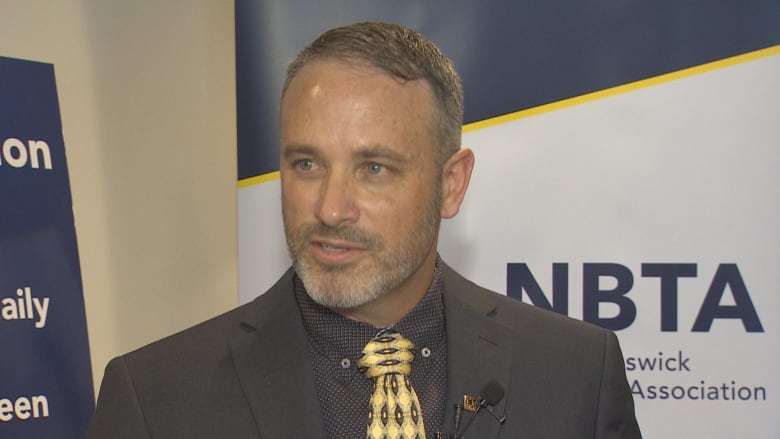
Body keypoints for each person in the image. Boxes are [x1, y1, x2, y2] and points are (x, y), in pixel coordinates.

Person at [88, 21, 641, 438]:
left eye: (374, 169)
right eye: (307, 164)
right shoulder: (157, 400)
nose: (330, 208)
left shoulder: (575, 376)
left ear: (452, 184)